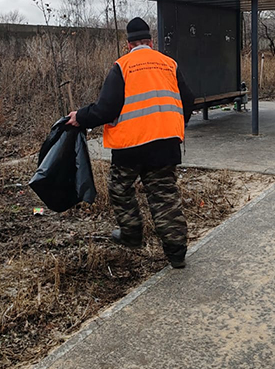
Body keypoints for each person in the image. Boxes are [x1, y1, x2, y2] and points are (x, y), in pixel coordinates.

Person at [67, 17, 195, 269]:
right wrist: (174, 125)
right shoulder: (169, 64)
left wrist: (80, 117)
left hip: (130, 146)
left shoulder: (122, 66)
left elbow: (106, 108)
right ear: (151, 42)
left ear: (128, 45)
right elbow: (188, 100)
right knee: (165, 196)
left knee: (120, 187)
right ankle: (177, 253)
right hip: (165, 143)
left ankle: (132, 234)